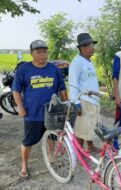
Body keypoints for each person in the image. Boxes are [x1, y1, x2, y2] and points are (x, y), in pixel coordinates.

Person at [12, 40, 67, 178]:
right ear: (32, 54)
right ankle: (24, 164)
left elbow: (62, 87)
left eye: (44, 51)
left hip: (52, 111)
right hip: (32, 113)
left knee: (52, 137)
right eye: (38, 51)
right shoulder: (23, 69)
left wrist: (65, 103)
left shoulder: (54, 69)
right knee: (28, 141)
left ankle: (51, 157)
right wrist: (20, 107)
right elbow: (16, 90)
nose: (42, 54)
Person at [69, 33, 101, 154]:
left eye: (92, 44)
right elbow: (73, 84)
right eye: (88, 45)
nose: (92, 48)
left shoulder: (89, 62)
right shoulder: (77, 62)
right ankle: (79, 153)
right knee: (82, 129)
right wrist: (76, 103)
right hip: (84, 102)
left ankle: (90, 147)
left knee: (91, 127)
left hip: (93, 101)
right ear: (81, 48)